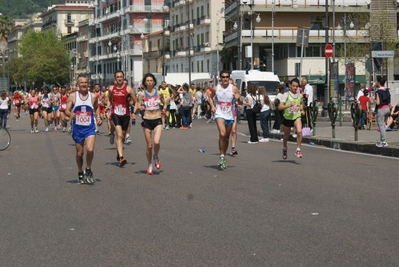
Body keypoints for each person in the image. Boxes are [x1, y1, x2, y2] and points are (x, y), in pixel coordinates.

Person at [65, 74, 102, 184]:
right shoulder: (72, 96)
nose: (84, 84)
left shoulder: (93, 96)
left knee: (90, 149)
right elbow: (67, 110)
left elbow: (96, 108)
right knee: (79, 153)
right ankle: (80, 171)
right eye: (82, 83)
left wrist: (99, 117)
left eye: (86, 82)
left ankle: (88, 169)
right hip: (78, 127)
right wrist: (70, 114)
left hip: (90, 127)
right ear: (78, 84)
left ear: (88, 84)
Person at [208, 70, 242, 169]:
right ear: (220, 78)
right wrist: (213, 106)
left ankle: (223, 153)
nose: (225, 79)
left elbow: (241, 101)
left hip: (230, 115)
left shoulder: (234, 88)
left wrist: (238, 98)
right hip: (219, 114)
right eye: (223, 77)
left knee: (226, 137)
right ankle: (222, 156)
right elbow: (210, 97)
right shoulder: (216, 88)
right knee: (222, 133)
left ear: (229, 78)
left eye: (227, 77)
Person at [134, 73, 166, 175]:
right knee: (149, 145)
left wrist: (164, 109)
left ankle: (155, 156)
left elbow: (164, 103)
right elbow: (138, 105)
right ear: (144, 82)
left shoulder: (159, 93)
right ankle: (149, 165)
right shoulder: (142, 94)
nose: (149, 82)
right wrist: (140, 108)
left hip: (157, 120)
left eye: (151, 80)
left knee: (156, 142)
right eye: (147, 81)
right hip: (147, 120)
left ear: (154, 82)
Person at [108, 70, 137, 166]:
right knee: (119, 135)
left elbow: (136, 101)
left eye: (121, 77)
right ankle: (121, 157)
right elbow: (109, 98)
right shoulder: (111, 89)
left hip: (126, 115)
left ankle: (118, 153)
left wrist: (134, 112)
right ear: (115, 79)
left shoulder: (129, 89)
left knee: (122, 137)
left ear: (123, 78)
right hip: (116, 114)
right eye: (117, 77)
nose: (119, 78)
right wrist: (111, 108)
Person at [279, 78, 304, 159]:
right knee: (286, 135)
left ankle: (298, 149)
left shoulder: (299, 95)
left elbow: (301, 103)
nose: (295, 88)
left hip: (296, 116)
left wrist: (301, 109)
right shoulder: (286, 95)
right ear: (290, 86)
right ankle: (284, 148)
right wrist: (289, 105)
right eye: (293, 86)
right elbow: (280, 107)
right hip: (287, 117)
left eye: (296, 86)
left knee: (299, 131)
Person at [374, 77, 390, 147]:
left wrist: (372, 99)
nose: (376, 83)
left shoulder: (378, 92)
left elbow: (378, 103)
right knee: (383, 125)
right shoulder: (387, 90)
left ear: (379, 83)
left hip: (381, 109)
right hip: (387, 108)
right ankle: (381, 141)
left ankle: (383, 141)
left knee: (381, 126)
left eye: (377, 82)